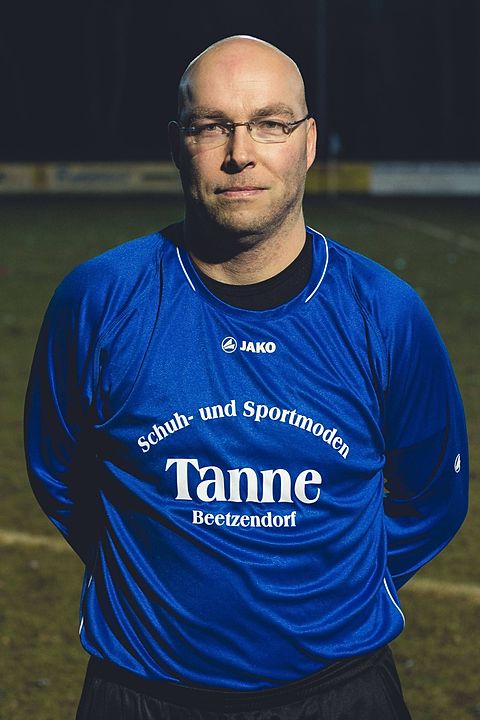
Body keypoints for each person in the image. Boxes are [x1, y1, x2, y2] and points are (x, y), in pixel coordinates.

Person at [25, 35, 468, 720]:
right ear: (177, 144)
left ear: (308, 142)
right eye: (211, 126)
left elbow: (433, 496)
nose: (240, 153)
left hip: (340, 693)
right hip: (140, 693)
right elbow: (58, 474)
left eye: (270, 124)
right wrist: (147, 574)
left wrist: (334, 591)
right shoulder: (99, 299)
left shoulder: (386, 314)